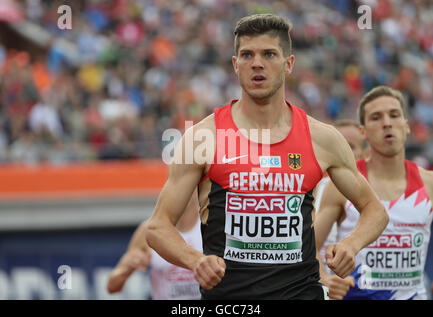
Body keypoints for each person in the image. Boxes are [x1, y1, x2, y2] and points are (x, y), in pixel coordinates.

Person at [144, 14, 388, 300]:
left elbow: (375, 210)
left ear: (289, 64)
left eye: (269, 54)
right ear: (236, 66)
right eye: (247, 55)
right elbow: (157, 227)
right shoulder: (203, 138)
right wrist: (195, 260)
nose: (257, 63)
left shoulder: (322, 138)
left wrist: (351, 243)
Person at [315, 85, 433, 300]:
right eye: (376, 117)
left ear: (407, 126)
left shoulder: (430, 183)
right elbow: (308, 247)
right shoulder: (341, 185)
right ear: (363, 131)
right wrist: (324, 278)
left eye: (394, 115)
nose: (387, 123)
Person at [107, 192, 202, 300]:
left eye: (190, 184)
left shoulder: (212, 226)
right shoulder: (149, 230)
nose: (185, 190)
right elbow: (112, 287)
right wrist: (128, 268)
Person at [314, 119, 369, 279]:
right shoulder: (302, 188)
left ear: (365, 153)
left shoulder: (370, 201)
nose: (340, 151)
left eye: (350, 146)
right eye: (334, 144)